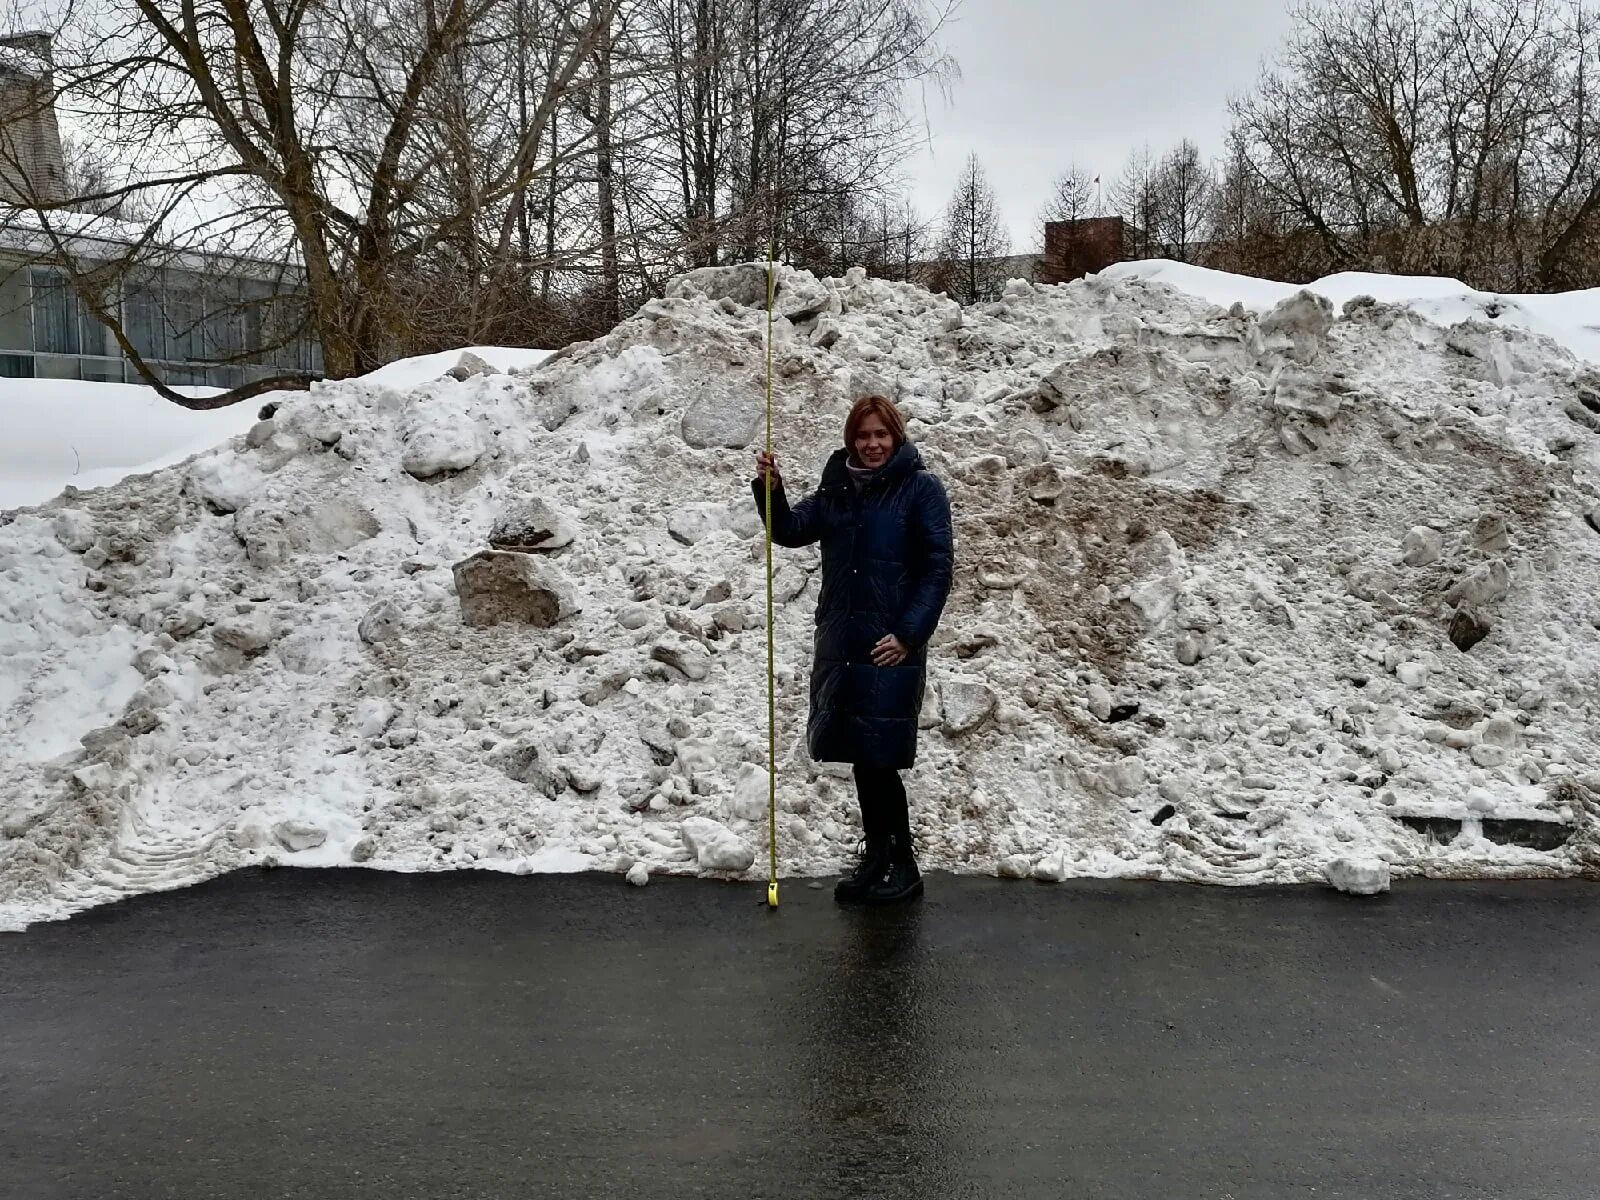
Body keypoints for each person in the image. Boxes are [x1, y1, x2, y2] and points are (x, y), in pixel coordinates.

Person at [751, 395, 954, 904]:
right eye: (863, 436)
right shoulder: (838, 490)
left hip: (891, 646)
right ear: (851, 440)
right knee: (864, 755)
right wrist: (770, 491)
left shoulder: (921, 489)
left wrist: (910, 634)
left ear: (896, 437)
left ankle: (902, 864)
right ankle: (877, 859)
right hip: (845, 643)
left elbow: (937, 568)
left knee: (880, 757)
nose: (871, 445)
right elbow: (790, 530)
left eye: (880, 434)